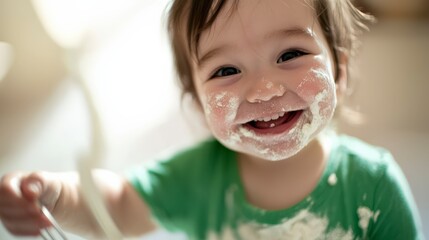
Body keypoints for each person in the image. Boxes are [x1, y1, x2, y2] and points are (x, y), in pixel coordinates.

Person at [0, 0, 425, 239]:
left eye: (290, 55)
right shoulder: (200, 177)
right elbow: (121, 204)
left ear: (341, 70)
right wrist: (55, 194)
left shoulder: (373, 187)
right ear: (198, 104)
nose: (264, 90)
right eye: (226, 71)